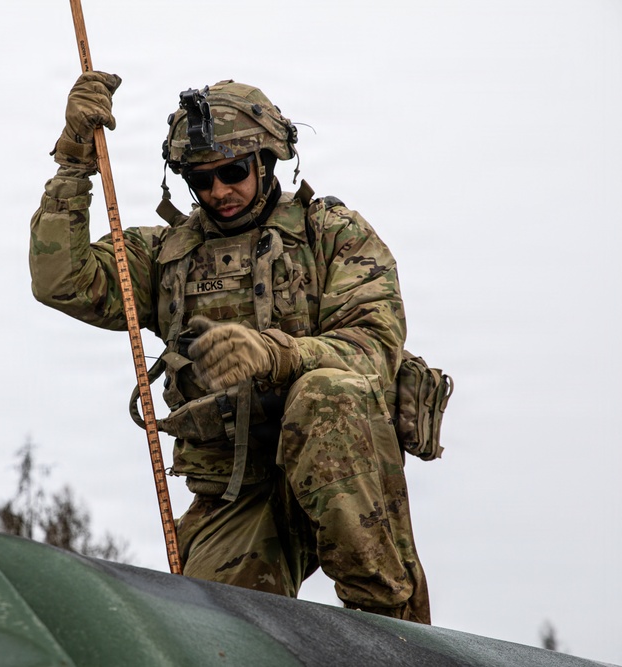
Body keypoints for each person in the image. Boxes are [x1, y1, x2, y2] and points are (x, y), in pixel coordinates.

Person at [29, 72, 430, 624]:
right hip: (235, 485)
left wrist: (276, 354)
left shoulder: (330, 234)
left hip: (343, 465)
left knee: (324, 393)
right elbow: (60, 280)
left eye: (233, 172)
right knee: (213, 633)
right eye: (201, 180)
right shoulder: (166, 255)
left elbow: (372, 351)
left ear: (266, 162)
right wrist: (75, 160)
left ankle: (389, 629)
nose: (219, 191)